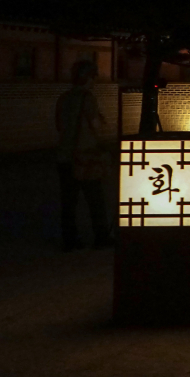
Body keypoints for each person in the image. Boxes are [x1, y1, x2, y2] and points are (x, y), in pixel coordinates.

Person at [55, 60, 113, 249]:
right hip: (85, 156)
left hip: (65, 155)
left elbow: (59, 126)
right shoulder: (88, 98)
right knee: (95, 199)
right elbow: (95, 125)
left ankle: (70, 240)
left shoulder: (64, 98)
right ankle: (101, 237)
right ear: (89, 77)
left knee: (69, 201)